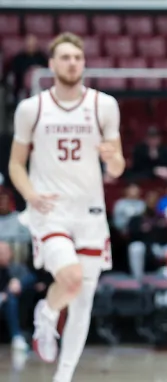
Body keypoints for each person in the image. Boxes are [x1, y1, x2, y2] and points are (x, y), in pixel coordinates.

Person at [8, 33, 124, 382]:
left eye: (78, 57)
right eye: (65, 57)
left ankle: (64, 376)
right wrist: (31, 194)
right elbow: (15, 164)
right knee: (71, 279)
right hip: (50, 210)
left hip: (89, 212)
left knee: (84, 298)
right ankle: (46, 311)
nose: (73, 62)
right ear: (52, 64)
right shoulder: (32, 108)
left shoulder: (104, 105)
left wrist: (112, 158)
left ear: (83, 62)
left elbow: (117, 168)